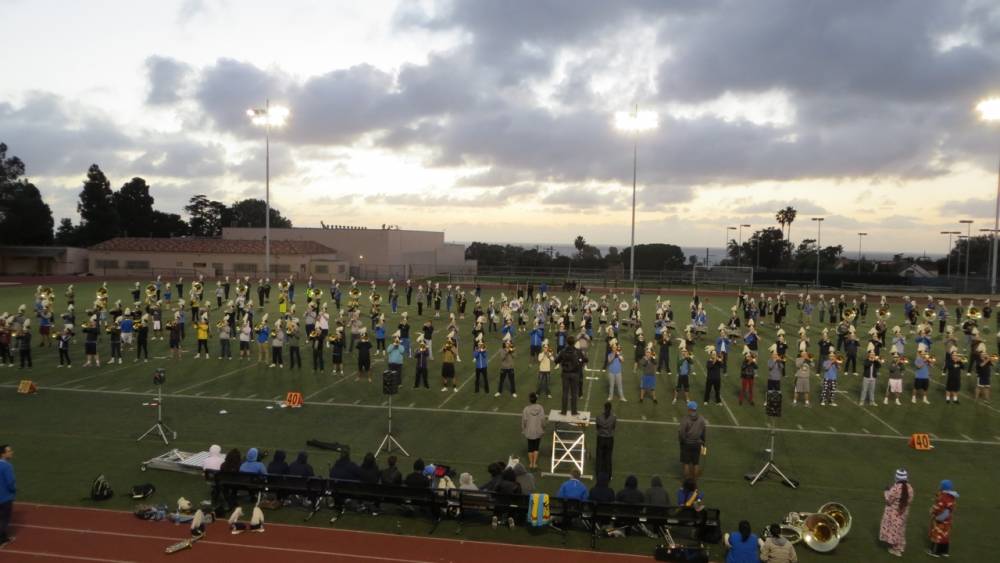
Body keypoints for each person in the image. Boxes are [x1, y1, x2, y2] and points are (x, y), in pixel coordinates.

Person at [879, 468, 913, 557]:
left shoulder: (895, 488)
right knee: (901, 530)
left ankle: (895, 550)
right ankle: (900, 547)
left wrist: (886, 491)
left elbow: (889, 500)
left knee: (894, 530)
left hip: (894, 513)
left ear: (897, 477)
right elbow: (909, 500)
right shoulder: (909, 488)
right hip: (904, 513)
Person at [554, 336, 587, 416]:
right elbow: (586, 359)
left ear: (567, 342)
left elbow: (556, 361)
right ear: (574, 342)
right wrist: (580, 361)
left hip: (565, 374)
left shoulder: (563, 351)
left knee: (565, 393)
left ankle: (563, 411)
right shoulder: (578, 351)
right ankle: (574, 411)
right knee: (574, 393)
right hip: (575, 374)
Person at [928, 479, 959, 557]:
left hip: (940, 520)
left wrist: (932, 511)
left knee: (937, 534)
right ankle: (944, 552)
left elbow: (938, 507)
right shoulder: (952, 497)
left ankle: (934, 551)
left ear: (943, 487)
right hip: (948, 520)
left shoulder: (943, 497)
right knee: (945, 535)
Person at [679, 401, 706, 479]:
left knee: (686, 463)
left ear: (690, 409)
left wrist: (682, 441)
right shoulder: (701, 419)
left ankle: (687, 481)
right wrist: (703, 442)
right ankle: (694, 481)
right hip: (697, 443)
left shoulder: (685, 419)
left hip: (687, 443)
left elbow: (682, 432)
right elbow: (704, 431)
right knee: (696, 463)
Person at [521, 393, 546, 469]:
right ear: (536, 399)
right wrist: (543, 427)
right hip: (538, 430)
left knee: (530, 447)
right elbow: (543, 419)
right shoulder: (540, 408)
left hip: (529, 430)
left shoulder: (526, 409)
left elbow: (524, 421)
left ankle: (531, 463)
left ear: (530, 400)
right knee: (536, 447)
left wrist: (523, 429)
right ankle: (534, 463)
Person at [595, 401, 616, 480]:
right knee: (608, 457)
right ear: (610, 409)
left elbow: (597, 427)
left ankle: (598, 474)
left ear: (604, 408)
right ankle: (609, 475)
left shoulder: (599, 417)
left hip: (601, 438)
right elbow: (614, 427)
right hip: (609, 439)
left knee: (599, 457)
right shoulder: (613, 417)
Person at [0, 444, 15, 548]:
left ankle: (4, 537)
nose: (11, 452)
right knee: (4, 519)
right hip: (5, 497)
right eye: (9, 451)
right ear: (3, 454)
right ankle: (1, 540)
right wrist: (14, 490)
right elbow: (10, 483)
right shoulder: (7, 466)